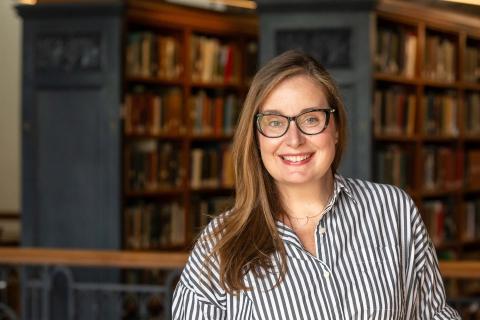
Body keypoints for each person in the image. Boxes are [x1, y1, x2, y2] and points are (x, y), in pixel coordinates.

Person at [172, 50, 460, 319]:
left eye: (311, 119)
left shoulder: (392, 211)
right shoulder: (220, 244)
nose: (294, 139)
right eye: (275, 122)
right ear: (256, 137)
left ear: (335, 129)